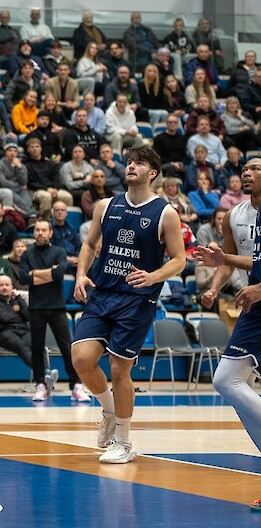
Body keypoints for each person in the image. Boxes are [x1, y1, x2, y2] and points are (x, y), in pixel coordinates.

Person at [72, 145, 186, 464]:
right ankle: (108, 409)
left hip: (137, 299)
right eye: (129, 162)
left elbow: (179, 260)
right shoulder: (105, 206)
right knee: (81, 358)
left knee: (120, 368)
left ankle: (123, 440)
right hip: (104, 293)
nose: (131, 166)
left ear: (152, 172)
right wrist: (81, 275)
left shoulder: (165, 213)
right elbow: (90, 244)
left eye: (139, 163)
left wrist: (153, 276)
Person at [196, 158, 261, 512]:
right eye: (245, 169)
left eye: (255, 168)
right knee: (227, 380)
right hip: (253, 299)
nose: (246, 173)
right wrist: (214, 285)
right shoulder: (235, 216)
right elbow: (232, 257)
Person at [19, 218, 83, 402]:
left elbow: (60, 273)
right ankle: (40, 385)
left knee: (67, 347)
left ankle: (76, 385)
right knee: (37, 348)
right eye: (37, 230)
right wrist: (49, 273)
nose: (40, 233)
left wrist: (36, 273)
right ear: (34, 233)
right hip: (36, 307)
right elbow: (24, 278)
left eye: (43, 230)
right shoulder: (27, 254)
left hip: (57, 306)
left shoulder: (59, 251)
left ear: (50, 233)